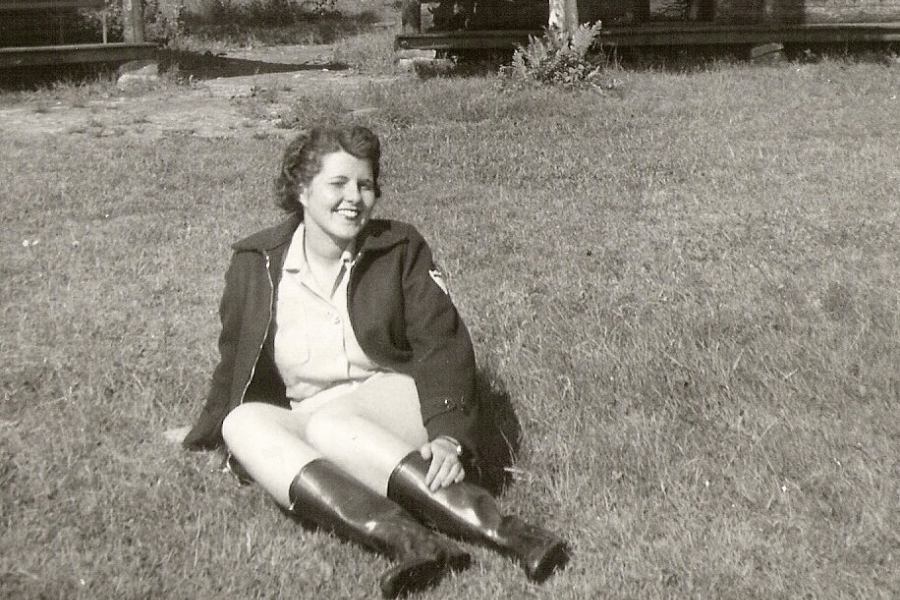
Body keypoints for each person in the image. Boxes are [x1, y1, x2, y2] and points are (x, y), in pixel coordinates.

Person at [182, 125, 569, 598]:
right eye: (338, 184)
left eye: (365, 185)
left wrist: (450, 436)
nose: (355, 199)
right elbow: (233, 356)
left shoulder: (398, 248)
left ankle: (510, 533)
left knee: (329, 426)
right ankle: (415, 544)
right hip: (315, 412)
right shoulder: (256, 260)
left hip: (393, 399)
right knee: (241, 423)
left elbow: (442, 344)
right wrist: (206, 428)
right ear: (302, 190)